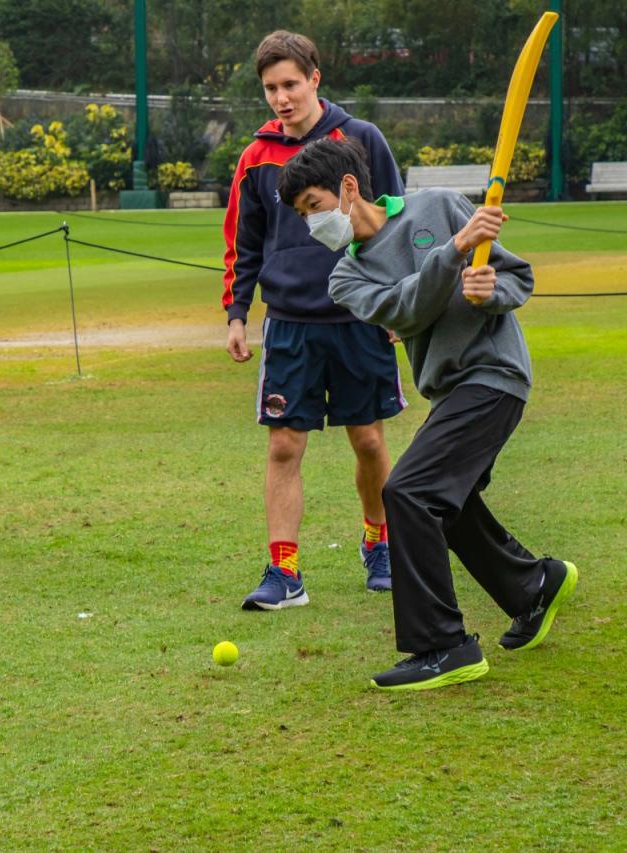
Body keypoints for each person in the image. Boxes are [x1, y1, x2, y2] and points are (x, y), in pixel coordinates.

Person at [277, 136, 578, 690]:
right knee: (443, 500)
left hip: (494, 375)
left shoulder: (436, 206)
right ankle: (533, 586)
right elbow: (408, 310)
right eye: (301, 215)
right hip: (450, 392)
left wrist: (490, 291)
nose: (311, 223)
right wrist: (456, 249)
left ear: (348, 188)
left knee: (408, 492)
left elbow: (517, 277)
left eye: (313, 206)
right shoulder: (346, 278)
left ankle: (443, 645)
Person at [222, 31, 407, 610]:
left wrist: (399, 301)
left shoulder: (362, 139)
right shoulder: (255, 157)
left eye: (290, 85)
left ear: (314, 79)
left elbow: (395, 220)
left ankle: (380, 545)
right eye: (270, 88)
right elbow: (243, 241)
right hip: (290, 323)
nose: (281, 98)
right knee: (283, 447)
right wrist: (236, 313)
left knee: (369, 440)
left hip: (360, 316)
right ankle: (284, 574)